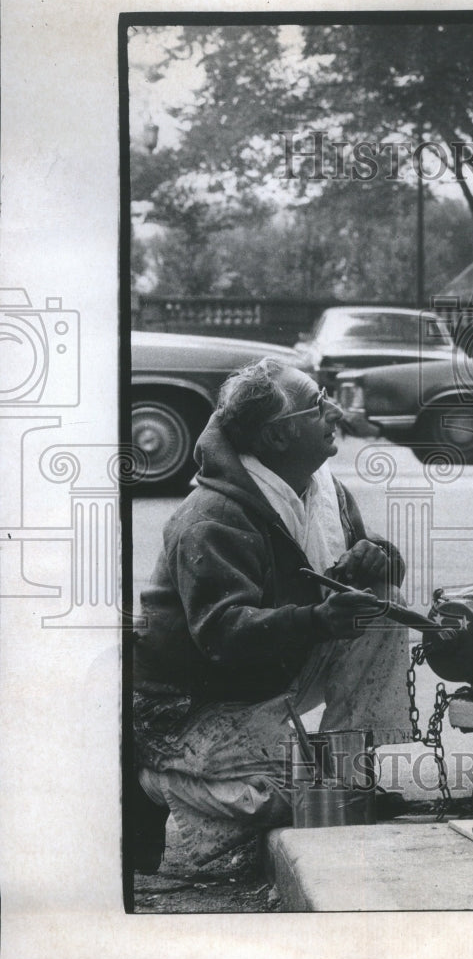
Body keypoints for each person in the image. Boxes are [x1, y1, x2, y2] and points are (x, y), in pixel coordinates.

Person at [131, 358, 412, 871]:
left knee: (382, 610)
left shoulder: (322, 488)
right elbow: (223, 634)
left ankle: (347, 776)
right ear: (278, 437)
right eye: (316, 404)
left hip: (266, 678)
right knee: (287, 797)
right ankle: (155, 779)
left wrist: (377, 557)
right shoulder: (212, 518)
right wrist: (319, 620)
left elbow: (374, 564)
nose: (332, 409)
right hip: (187, 706)